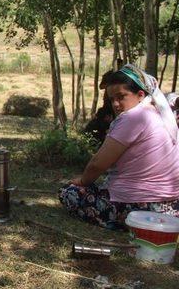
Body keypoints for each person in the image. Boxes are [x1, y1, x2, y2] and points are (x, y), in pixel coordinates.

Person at [60, 64, 179, 229]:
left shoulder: (133, 117)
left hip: (139, 206)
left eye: (121, 97)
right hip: (171, 207)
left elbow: (98, 164)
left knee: (69, 192)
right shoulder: (158, 113)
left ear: (140, 94)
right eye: (112, 99)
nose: (115, 104)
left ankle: (123, 221)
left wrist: (81, 181)